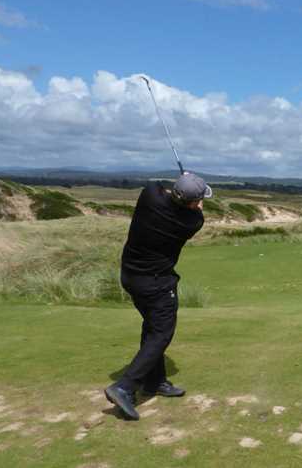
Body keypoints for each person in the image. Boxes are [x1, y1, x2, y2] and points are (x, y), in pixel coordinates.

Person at [104, 172, 212, 421]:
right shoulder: (192, 222)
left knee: (152, 326)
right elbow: (194, 210)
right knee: (161, 333)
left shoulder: (149, 197)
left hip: (130, 277)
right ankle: (124, 387)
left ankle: (155, 382)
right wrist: (189, 189)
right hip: (157, 284)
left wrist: (183, 180)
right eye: (198, 201)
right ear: (193, 203)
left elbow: (158, 187)